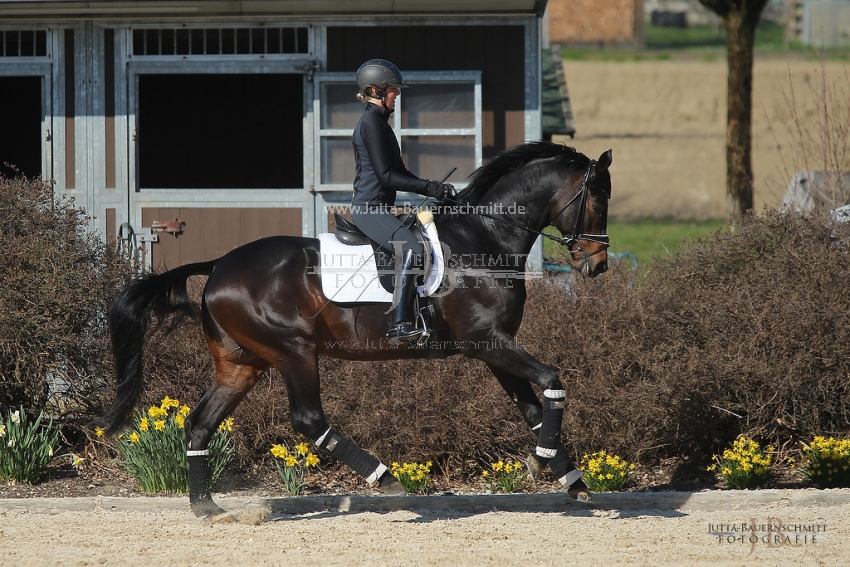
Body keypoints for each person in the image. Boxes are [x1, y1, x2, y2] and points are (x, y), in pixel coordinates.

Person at [350, 58, 454, 344]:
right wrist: (429, 188)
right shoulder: (371, 123)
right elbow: (385, 177)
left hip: (379, 208)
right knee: (412, 249)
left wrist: (434, 189)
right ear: (376, 90)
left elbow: (401, 173)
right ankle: (398, 324)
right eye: (394, 89)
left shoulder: (381, 125)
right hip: (368, 210)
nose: (398, 94)